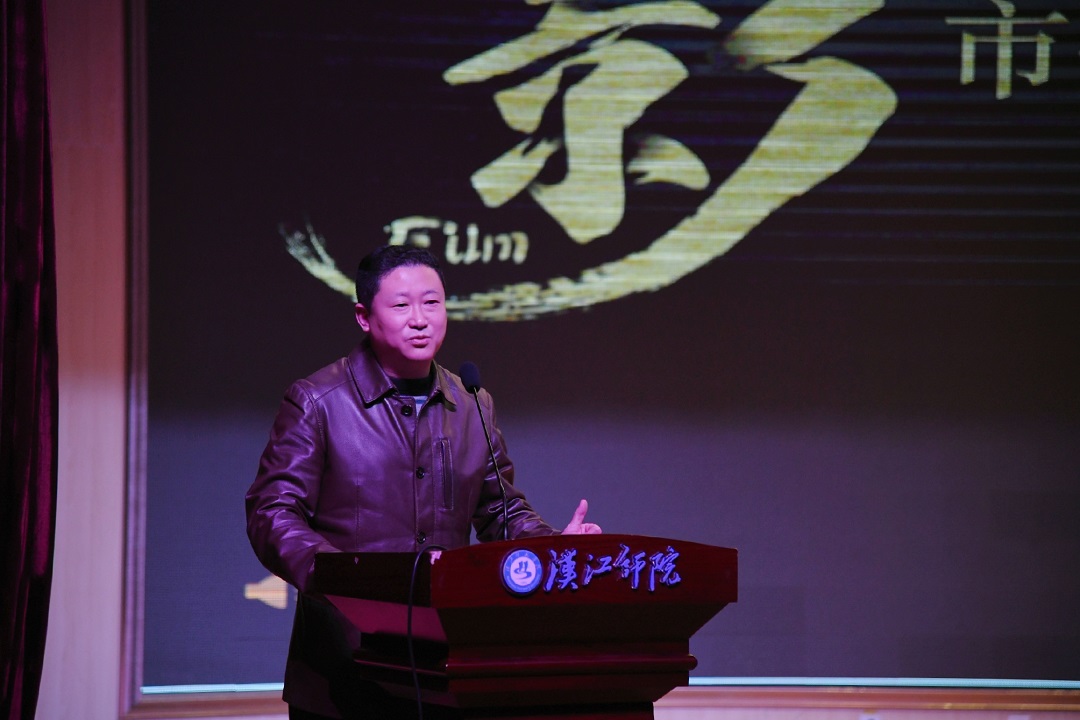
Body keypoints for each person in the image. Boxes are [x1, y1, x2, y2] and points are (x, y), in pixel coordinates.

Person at [246, 244, 601, 720]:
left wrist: (556, 548)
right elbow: (272, 512)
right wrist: (346, 577)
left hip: (447, 667)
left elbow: (500, 511)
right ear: (364, 317)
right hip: (343, 671)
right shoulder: (317, 401)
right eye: (401, 305)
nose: (420, 320)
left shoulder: (473, 403)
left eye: (432, 303)